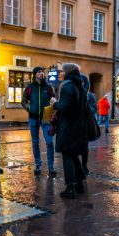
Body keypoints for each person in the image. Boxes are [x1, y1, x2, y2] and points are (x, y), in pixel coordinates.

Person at [51, 63, 87, 199]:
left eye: (62, 71)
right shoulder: (81, 87)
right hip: (78, 126)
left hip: (68, 127)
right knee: (73, 155)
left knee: (67, 155)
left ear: (67, 73)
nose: (60, 73)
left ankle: (70, 187)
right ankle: (79, 185)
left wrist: (54, 103)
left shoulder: (67, 87)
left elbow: (64, 107)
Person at [21, 66, 56, 175]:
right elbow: (23, 101)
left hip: (46, 118)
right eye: (39, 72)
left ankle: (51, 166)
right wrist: (30, 108)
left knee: (49, 142)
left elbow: (54, 100)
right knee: (35, 143)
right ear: (35, 74)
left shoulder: (49, 87)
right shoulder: (29, 87)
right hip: (33, 118)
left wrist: (52, 109)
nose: (42, 73)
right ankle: (38, 165)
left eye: (42, 72)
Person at [81, 74, 97, 175]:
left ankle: (84, 165)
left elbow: (94, 108)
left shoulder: (90, 96)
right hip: (75, 123)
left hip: (85, 123)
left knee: (84, 146)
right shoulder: (75, 93)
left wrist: (85, 109)